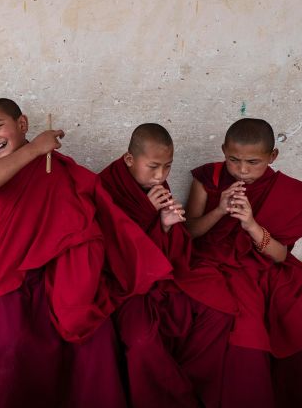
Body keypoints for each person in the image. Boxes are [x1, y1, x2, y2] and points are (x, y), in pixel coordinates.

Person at [0, 98, 171, 408]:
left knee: (94, 336)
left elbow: (81, 223)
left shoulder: (57, 168)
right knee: (12, 343)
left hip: (56, 267)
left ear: (22, 124)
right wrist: (36, 148)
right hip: (6, 272)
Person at [185, 117, 302, 408]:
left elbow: (280, 255)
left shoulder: (283, 190)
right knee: (245, 333)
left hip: (268, 268)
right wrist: (219, 210)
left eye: (253, 162)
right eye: (233, 159)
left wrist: (251, 224)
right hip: (216, 265)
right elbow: (188, 232)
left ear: (272, 157)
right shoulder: (209, 178)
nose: (242, 169)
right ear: (223, 150)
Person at [99, 123, 232, 408]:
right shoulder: (106, 187)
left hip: (162, 277)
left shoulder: (157, 186)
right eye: (153, 167)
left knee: (217, 310)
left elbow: (177, 251)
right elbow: (112, 251)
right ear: (129, 159)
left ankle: (199, 391)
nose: (161, 175)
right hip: (124, 286)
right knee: (142, 342)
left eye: (168, 167)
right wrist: (150, 213)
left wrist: (168, 226)